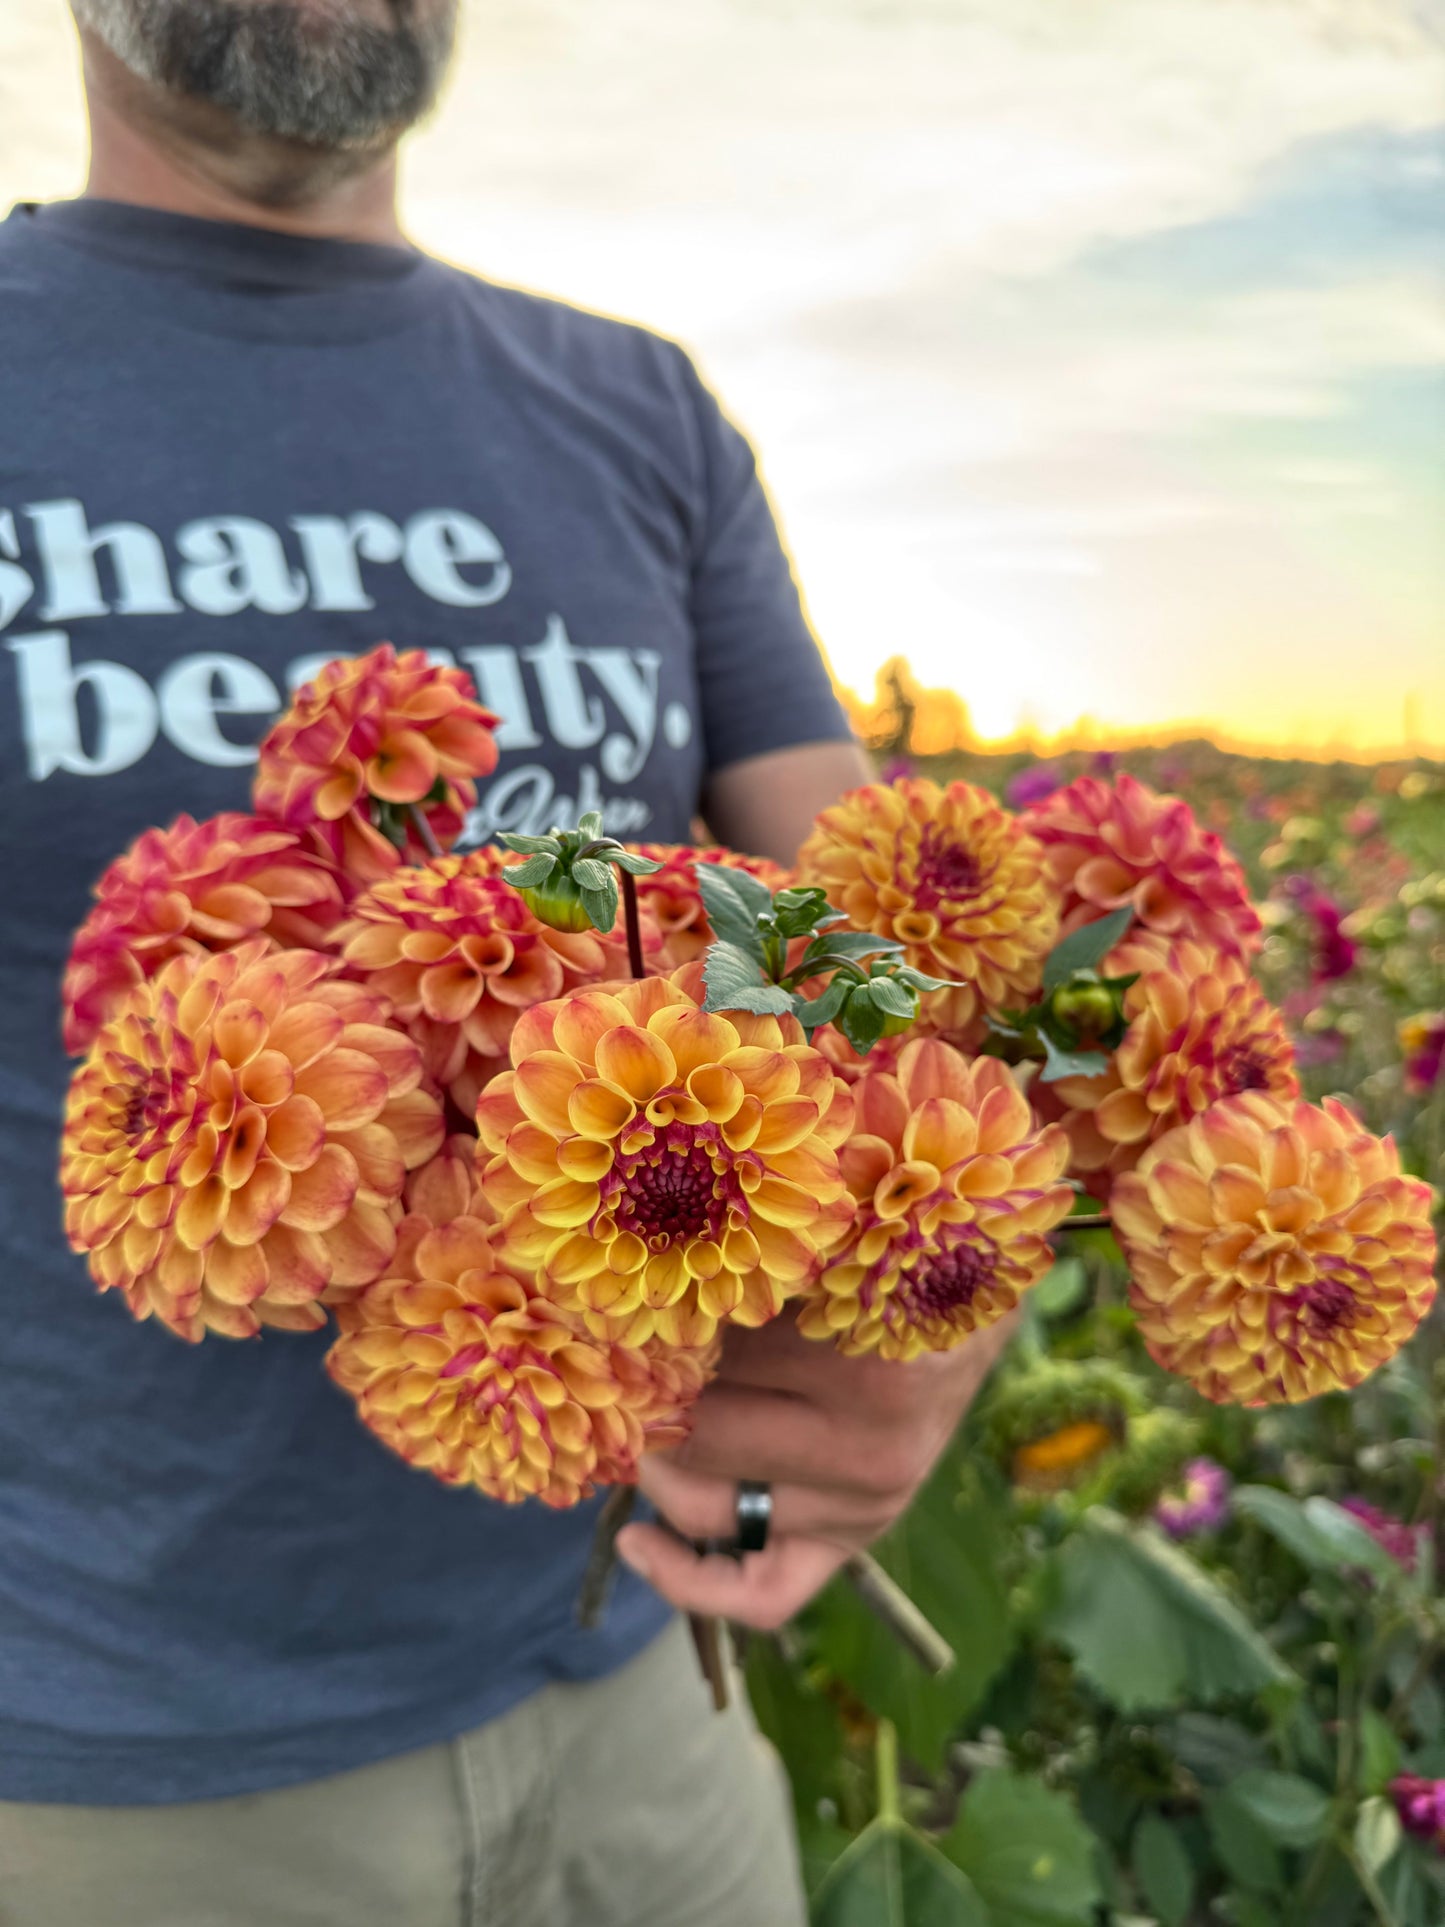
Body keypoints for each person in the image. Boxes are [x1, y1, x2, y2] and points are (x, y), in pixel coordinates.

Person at [0, 5, 1007, 1921]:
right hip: (101, 1777)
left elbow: (861, 943)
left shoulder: (639, 407)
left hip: (636, 1687)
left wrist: (948, 1273)